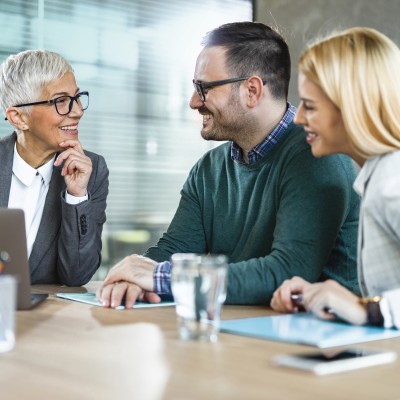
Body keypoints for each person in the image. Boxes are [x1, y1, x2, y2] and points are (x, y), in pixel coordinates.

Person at [97, 21, 360, 308]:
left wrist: (161, 277)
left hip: (324, 342)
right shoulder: (208, 169)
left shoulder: (318, 156)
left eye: (204, 88)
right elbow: (174, 250)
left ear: (252, 91)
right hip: (243, 333)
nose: (193, 101)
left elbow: (288, 272)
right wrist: (132, 277)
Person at [271, 27, 400, 329]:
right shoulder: (379, 175)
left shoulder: (391, 182)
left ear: (354, 108)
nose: (299, 118)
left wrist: (369, 311)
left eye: (310, 106)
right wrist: (333, 297)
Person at [0, 49, 109, 285]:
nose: (78, 111)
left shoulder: (92, 170)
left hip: (46, 317)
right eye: (61, 101)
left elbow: (77, 275)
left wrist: (76, 196)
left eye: (77, 98)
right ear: (19, 118)